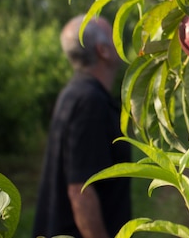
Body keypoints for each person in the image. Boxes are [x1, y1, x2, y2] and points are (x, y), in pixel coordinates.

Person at [33, 15, 131, 238]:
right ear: (103, 50)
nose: (120, 40)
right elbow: (81, 192)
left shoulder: (75, 93)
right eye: (114, 35)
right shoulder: (89, 102)